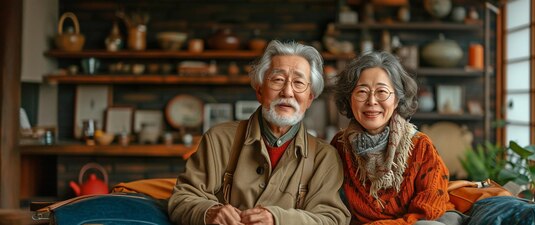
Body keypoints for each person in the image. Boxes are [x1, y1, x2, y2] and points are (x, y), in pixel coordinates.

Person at [168, 40, 350, 225]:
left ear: (309, 98)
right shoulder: (219, 139)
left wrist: (278, 220)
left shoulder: (324, 157)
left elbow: (333, 219)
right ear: (260, 90)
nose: (287, 92)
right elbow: (181, 199)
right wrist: (208, 212)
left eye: (298, 82)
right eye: (278, 80)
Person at [331, 51, 464, 225]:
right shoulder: (340, 146)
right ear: (350, 99)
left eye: (382, 92)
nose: (372, 101)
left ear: (396, 100)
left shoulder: (420, 146)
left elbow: (428, 212)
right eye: (362, 92)